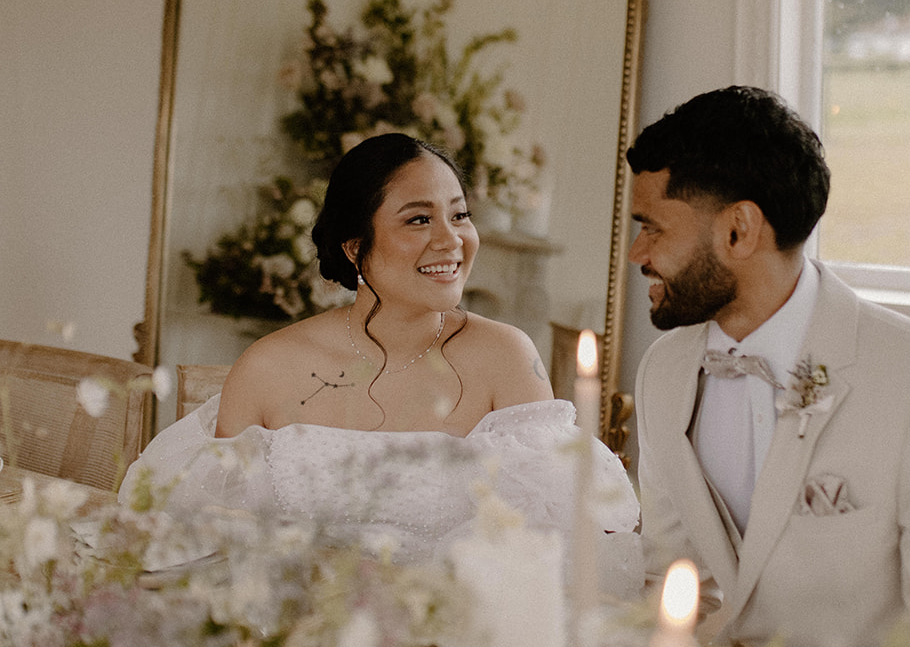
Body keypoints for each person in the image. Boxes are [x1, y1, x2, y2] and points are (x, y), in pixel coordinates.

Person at [627, 85, 910, 647]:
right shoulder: (663, 373)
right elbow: (672, 581)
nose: (637, 252)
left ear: (739, 230)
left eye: (650, 227)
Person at [122, 134, 640, 591]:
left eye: (459, 214)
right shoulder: (267, 367)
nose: (451, 239)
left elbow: (545, 552)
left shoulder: (506, 357)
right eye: (419, 219)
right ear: (354, 247)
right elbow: (207, 545)